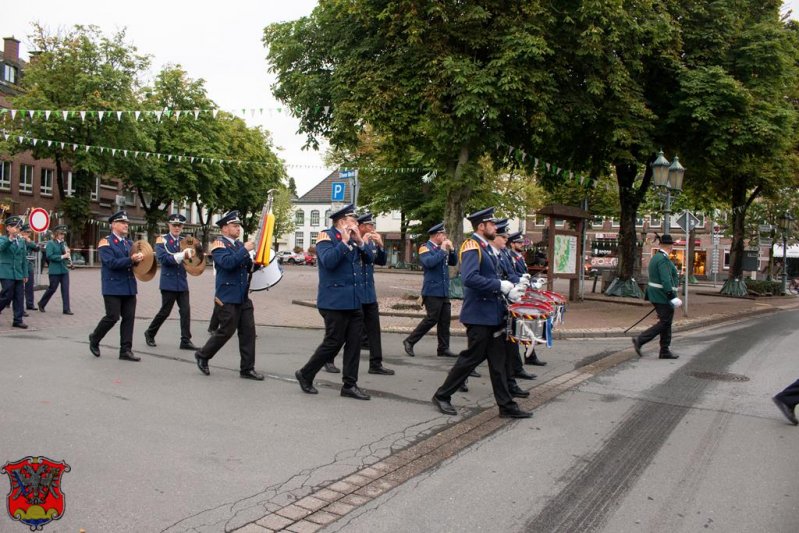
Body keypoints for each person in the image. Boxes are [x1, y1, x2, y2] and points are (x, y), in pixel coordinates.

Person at [432, 207, 533, 419]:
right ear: (481, 226)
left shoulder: (486, 248)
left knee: (498, 362)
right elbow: (469, 278)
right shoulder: (472, 246)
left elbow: (495, 276)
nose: (496, 228)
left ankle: (506, 406)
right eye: (492, 224)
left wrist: (511, 288)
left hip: (492, 314)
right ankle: (442, 395)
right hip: (478, 315)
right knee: (470, 359)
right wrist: (500, 285)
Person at [294, 204, 373, 400]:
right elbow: (328, 262)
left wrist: (360, 243)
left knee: (354, 344)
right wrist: (344, 242)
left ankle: (350, 384)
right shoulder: (326, 237)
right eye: (353, 220)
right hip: (334, 301)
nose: (357, 223)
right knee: (333, 342)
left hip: (354, 300)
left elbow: (371, 258)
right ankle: (306, 373)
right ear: (341, 222)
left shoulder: (355, 239)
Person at [194, 210, 263, 380]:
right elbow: (227, 263)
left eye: (238, 226)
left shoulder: (239, 246)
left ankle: (247, 369)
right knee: (226, 331)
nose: (238, 228)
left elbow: (247, 267)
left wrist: (257, 263)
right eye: (234, 226)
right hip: (227, 295)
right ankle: (203, 355)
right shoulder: (218, 245)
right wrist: (245, 251)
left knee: (248, 333)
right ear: (224, 228)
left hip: (242, 296)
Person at [89, 211, 143, 361]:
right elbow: (111, 263)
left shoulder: (129, 243)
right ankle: (95, 338)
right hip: (113, 286)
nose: (126, 225)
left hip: (129, 286)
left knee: (129, 318)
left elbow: (133, 263)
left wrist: (139, 259)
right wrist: (131, 259)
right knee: (112, 317)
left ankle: (125, 350)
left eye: (127, 223)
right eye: (122, 222)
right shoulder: (105, 242)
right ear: (113, 225)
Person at [403, 222, 458, 358]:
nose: (445, 237)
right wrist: (443, 250)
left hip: (444, 290)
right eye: (443, 234)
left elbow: (453, 262)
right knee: (431, 319)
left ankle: (443, 348)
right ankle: (409, 341)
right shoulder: (425, 248)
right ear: (437, 235)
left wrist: (452, 250)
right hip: (432, 290)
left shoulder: (441, 248)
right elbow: (429, 263)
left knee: (445, 320)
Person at [144, 214, 197, 350]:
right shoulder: (162, 240)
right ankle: (150, 332)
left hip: (182, 281)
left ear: (183, 227)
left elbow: (192, 260)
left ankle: (185, 340)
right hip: (169, 281)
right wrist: (182, 255)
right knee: (165, 311)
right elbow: (163, 259)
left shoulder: (185, 241)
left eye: (179, 225)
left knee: (185, 311)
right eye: (174, 225)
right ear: (169, 225)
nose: (177, 228)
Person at [356, 212, 394, 375]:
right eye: (369, 226)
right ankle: (328, 360)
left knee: (374, 329)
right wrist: (362, 244)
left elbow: (381, 261)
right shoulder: (353, 241)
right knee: (344, 331)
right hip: (356, 293)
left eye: (373, 226)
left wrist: (380, 246)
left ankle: (376, 364)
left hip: (369, 292)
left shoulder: (370, 242)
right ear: (361, 227)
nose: (372, 229)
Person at [632, 234, 681, 359]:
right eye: (672, 246)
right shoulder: (663, 259)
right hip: (662, 296)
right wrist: (671, 296)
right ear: (670, 246)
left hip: (658, 295)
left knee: (667, 322)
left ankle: (664, 350)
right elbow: (666, 280)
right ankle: (641, 340)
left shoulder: (657, 257)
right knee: (665, 322)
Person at [508, 231, 547, 366]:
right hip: (516, 294)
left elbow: (525, 274)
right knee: (521, 326)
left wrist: (534, 282)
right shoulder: (511, 257)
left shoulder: (519, 256)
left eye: (521, 242)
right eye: (518, 242)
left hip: (524, 292)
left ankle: (529, 355)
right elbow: (512, 275)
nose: (521, 245)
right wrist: (523, 281)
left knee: (526, 326)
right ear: (512, 244)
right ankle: (526, 357)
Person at [0, 215, 34, 328]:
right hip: (6, 272)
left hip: (18, 273)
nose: (17, 228)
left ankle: (18, 320)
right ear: (8, 228)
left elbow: (24, 259)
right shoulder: (3, 239)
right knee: (6, 295)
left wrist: (25, 274)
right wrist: (10, 239)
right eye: (14, 226)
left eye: (18, 227)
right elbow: (2, 248)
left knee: (19, 296)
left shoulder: (21, 241)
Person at [37, 225, 73, 314]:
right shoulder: (50, 243)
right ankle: (41, 303)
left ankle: (66, 309)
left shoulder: (63, 243)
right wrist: (62, 256)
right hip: (54, 270)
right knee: (52, 288)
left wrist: (68, 254)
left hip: (64, 269)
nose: (62, 236)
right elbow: (49, 256)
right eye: (61, 234)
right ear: (56, 234)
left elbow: (66, 254)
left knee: (65, 289)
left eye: (63, 234)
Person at [20, 224, 37, 313]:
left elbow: (37, 249)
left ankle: (30, 304)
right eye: (26, 232)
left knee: (29, 285)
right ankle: (8, 302)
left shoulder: (29, 241)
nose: (28, 234)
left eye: (29, 233)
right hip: (19, 266)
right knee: (18, 288)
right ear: (21, 232)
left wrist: (29, 241)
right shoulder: (18, 240)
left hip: (29, 265)